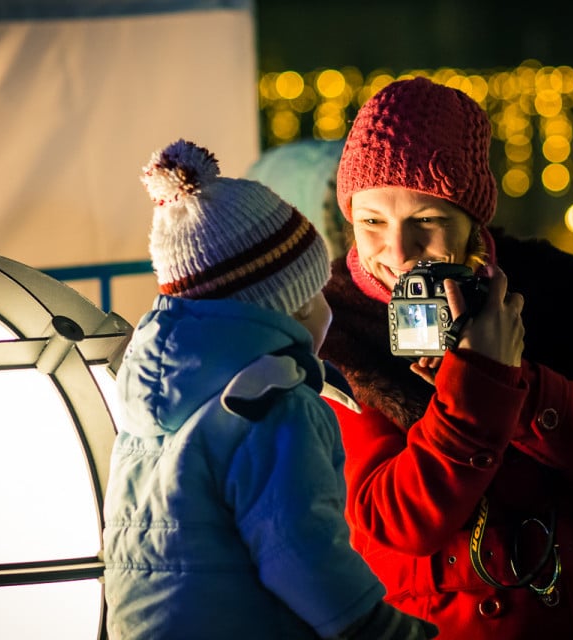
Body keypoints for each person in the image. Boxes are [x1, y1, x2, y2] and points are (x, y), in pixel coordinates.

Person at [318, 77, 573, 639]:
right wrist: (483, 384)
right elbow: (396, 523)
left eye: (426, 221)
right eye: (371, 222)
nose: (396, 252)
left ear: (472, 219)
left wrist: (531, 391)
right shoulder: (335, 330)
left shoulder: (551, 294)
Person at [103, 139, 438, 640]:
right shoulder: (275, 406)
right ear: (296, 307)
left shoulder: (146, 402)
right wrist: (383, 628)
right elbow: (304, 550)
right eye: (317, 288)